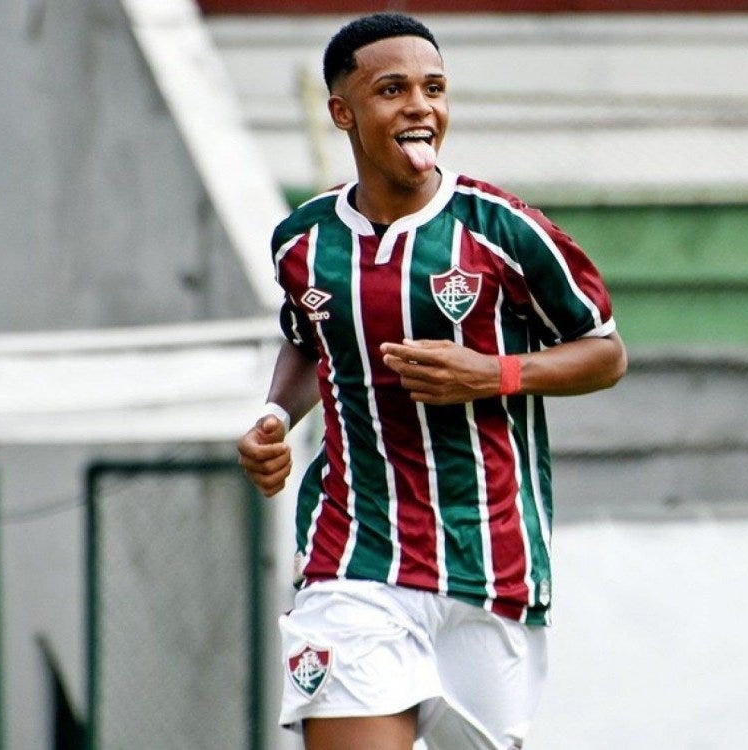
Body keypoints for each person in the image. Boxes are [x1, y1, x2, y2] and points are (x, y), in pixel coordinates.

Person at [237, 12, 626, 750]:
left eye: (434, 88)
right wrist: (272, 421)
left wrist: (497, 373)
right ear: (342, 113)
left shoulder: (502, 231)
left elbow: (604, 353)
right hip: (352, 557)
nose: (420, 106)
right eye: (393, 89)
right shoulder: (304, 240)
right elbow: (306, 343)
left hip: (490, 563)